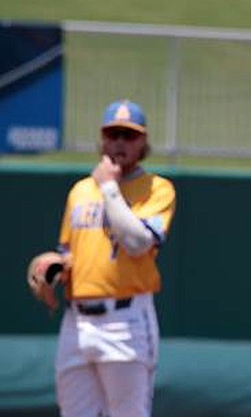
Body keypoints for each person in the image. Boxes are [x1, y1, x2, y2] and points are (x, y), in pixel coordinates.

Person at [53, 99, 177, 416]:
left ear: (143, 143)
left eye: (128, 135)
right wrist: (54, 266)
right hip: (77, 322)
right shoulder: (80, 191)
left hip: (126, 321)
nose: (119, 142)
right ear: (102, 139)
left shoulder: (156, 189)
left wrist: (109, 188)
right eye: (113, 134)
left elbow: (137, 243)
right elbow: (69, 251)